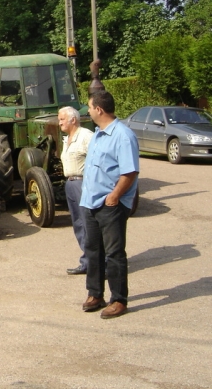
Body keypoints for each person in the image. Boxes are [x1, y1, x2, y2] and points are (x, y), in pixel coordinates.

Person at [80, 90, 139, 319]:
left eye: (89, 106)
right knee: (93, 251)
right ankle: (95, 294)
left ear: (99, 109)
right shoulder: (97, 134)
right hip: (90, 203)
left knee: (114, 253)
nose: (87, 110)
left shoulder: (123, 136)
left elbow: (130, 171)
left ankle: (119, 300)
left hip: (110, 205)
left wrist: (115, 196)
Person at [58, 106, 93, 276]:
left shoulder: (86, 136)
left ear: (73, 120)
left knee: (89, 223)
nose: (60, 123)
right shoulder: (66, 139)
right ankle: (87, 262)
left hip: (83, 183)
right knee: (78, 224)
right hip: (70, 184)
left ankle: (102, 263)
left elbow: (98, 160)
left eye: (62, 119)